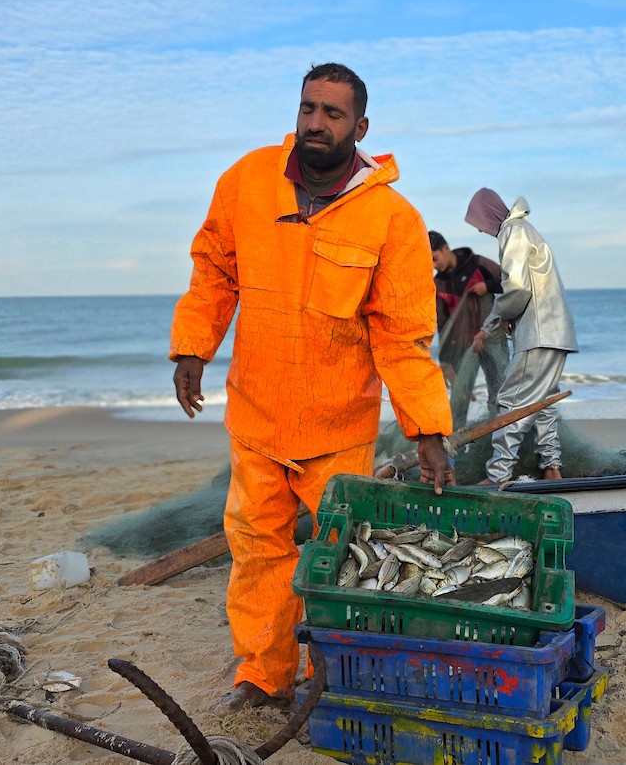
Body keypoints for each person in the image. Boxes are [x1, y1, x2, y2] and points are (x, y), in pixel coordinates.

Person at [170, 63, 455, 713]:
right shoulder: (247, 181)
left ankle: (330, 675)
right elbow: (214, 268)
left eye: (331, 112)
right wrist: (192, 346)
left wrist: (428, 430)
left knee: (340, 557)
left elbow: (401, 338)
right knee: (256, 554)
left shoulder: (392, 219)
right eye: (308, 108)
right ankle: (263, 678)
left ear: (361, 126)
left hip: (337, 428)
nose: (315, 123)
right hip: (257, 418)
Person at [465, 188, 577, 484]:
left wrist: (502, 317)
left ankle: (498, 474)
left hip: (538, 333)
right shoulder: (525, 229)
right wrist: (491, 325)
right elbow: (514, 289)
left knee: (512, 400)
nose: (479, 228)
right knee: (541, 403)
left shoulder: (511, 231)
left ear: (488, 214)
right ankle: (552, 469)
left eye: (477, 221)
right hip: (555, 332)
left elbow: (516, 288)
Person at [430, 230, 508, 425]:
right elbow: (443, 324)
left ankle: (499, 439)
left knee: (499, 393)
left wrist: (487, 286)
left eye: (435, 258)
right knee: (459, 399)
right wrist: (446, 361)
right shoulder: (438, 283)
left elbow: (511, 283)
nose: (433, 266)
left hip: (490, 340)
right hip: (464, 348)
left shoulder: (478, 264)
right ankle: (454, 447)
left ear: (446, 249)